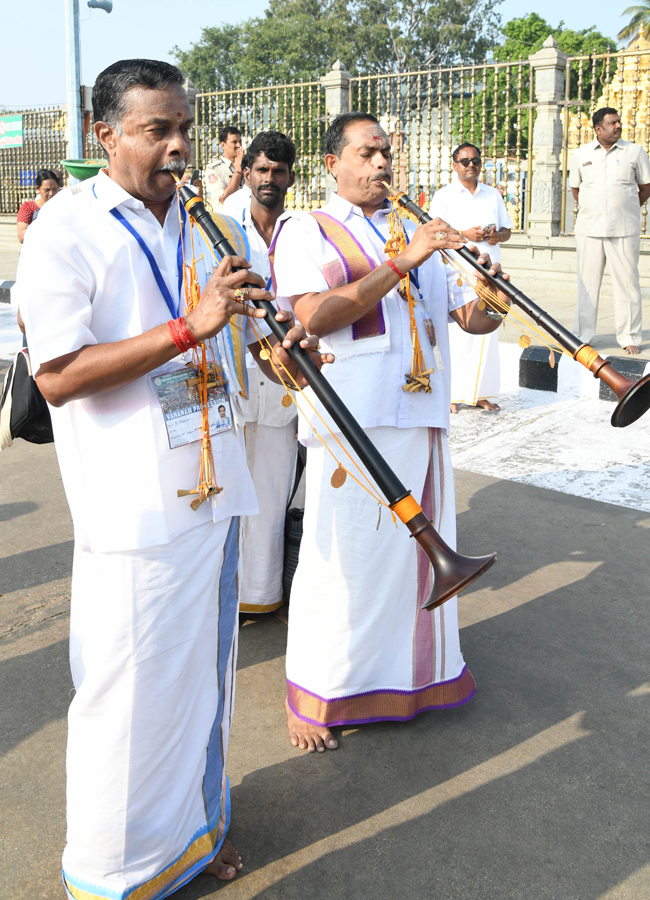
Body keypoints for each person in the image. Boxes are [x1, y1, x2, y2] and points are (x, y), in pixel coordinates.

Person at [15, 58, 328, 898]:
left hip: (215, 489)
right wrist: (190, 328)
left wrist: (278, 349)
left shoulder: (200, 223)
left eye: (185, 128)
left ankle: (193, 838)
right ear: (104, 135)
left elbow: (229, 334)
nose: (179, 147)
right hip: (133, 514)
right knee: (128, 706)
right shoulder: (63, 230)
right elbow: (58, 375)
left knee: (202, 688)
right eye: (158, 131)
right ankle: (111, 874)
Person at [272, 111, 511, 753]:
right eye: (366, 152)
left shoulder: (411, 229)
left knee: (411, 563)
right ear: (333, 165)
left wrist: (490, 297)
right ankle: (314, 692)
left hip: (424, 414)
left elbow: (462, 318)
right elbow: (315, 314)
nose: (381, 164)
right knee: (344, 562)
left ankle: (413, 681)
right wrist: (407, 258)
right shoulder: (307, 228)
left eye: (386, 152)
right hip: (354, 418)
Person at [227, 130, 299, 621]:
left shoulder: (304, 228)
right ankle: (222, 592)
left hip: (285, 381)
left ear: (292, 177)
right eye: (262, 169)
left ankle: (260, 594)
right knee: (227, 494)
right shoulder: (222, 226)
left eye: (279, 171)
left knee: (272, 497)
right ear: (247, 172)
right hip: (234, 378)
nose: (269, 179)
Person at [430, 142, 512, 413]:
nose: (471, 165)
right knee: (458, 334)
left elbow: (507, 230)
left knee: (488, 332)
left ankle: (480, 393)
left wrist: (496, 236)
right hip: (458, 272)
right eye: (464, 161)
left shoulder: (492, 195)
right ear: (455, 166)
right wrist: (465, 234)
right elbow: (435, 233)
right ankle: (452, 395)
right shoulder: (444, 196)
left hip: (490, 272)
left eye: (475, 160)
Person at [569, 107, 650, 355]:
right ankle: (582, 336)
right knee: (587, 285)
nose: (618, 126)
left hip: (624, 229)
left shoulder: (634, 152)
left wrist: (624, 209)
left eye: (618, 122)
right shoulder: (581, 154)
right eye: (612, 123)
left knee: (627, 285)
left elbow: (645, 188)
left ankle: (629, 337)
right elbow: (576, 189)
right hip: (589, 229)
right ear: (598, 128)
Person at [204, 125, 244, 212]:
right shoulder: (214, 169)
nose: (239, 145)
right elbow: (223, 198)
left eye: (240, 142)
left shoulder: (247, 166)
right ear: (223, 145)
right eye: (234, 142)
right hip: (226, 221)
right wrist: (237, 171)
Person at [16, 168, 60, 242]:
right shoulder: (28, 207)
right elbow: (21, 237)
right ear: (38, 188)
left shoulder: (62, 205)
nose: (51, 193)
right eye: (47, 190)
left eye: (54, 189)